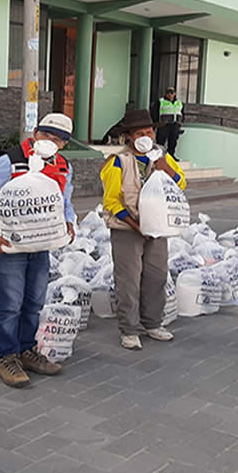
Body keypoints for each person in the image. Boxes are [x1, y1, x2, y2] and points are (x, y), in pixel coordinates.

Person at [0, 113, 78, 388]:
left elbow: (64, 202)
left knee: (34, 302)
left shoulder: (63, 167)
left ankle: (27, 349)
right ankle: (7, 357)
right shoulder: (9, 161)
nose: (50, 142)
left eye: (58, 139)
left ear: (65, 144)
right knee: (10, 305)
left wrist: (69, 222)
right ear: (34, 132)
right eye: (45, 136)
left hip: (40, 246)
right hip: (8, 246)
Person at [101, 109, 186, 350]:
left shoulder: (162, 157)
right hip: (128, 229)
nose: (146, 136)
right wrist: (136, 225)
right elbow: (111, 202)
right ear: (129, 136)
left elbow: (181, 183)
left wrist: (164, 168)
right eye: (139, 133)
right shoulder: (118, 162)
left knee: (156, 276)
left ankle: (153, 323)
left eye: (149, 131)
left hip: (158, 229)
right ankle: (129, 329)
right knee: (128, 280)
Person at [155, 86, 184, 158]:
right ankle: (160, 157)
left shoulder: (179, 102)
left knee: (173, 142)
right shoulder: (161, 101)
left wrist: (181, 122)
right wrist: (156, 123)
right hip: (164, 125)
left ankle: (171, 156)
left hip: (175, 125)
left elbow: (182, 112)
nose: (170, 94)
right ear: (166, 94)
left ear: (175, 94)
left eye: (172, 93)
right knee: (161, 142)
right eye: (168, 93)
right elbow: (154, 113)